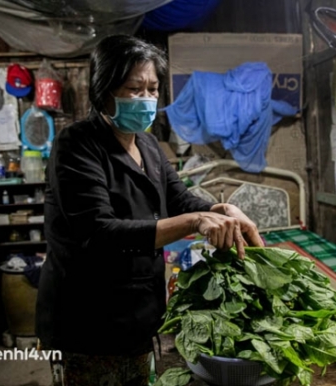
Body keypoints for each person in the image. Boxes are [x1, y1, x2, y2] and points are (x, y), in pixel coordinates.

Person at [36, 34, 264, 386]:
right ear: (104, 90)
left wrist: (221, 208)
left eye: (152, 89)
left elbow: (179, 198)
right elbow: (100, 232)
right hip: (87, 317)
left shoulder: (148, 145)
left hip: (138, 312)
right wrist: (197, 220)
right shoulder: (77, 146)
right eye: (133, 89)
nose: (146, 99)